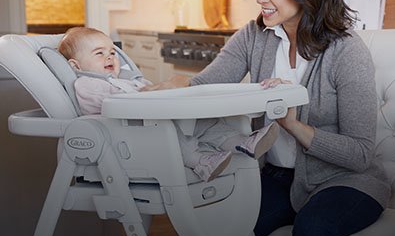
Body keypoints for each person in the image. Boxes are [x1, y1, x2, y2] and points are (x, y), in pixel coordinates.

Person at [182, 0, 391, 236]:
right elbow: (204, 90)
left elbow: (359, 153)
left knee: (314, 229)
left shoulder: (346, 51)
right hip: (279, 177)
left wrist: (292, 124)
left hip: (347, 181)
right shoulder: (253, 36)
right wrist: (162, 89)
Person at [58, 27, 279, 182]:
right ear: (76, 64)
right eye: (99, 53)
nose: (110, 57)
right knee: (169, 133)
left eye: (113, 52)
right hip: (132, 137)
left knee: (206, 121)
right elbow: (108, 105)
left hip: (154, 120)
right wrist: (143, 96)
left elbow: (152, 93)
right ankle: (200, 161)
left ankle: (242, 142)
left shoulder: (130, 80)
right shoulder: (86, 85)